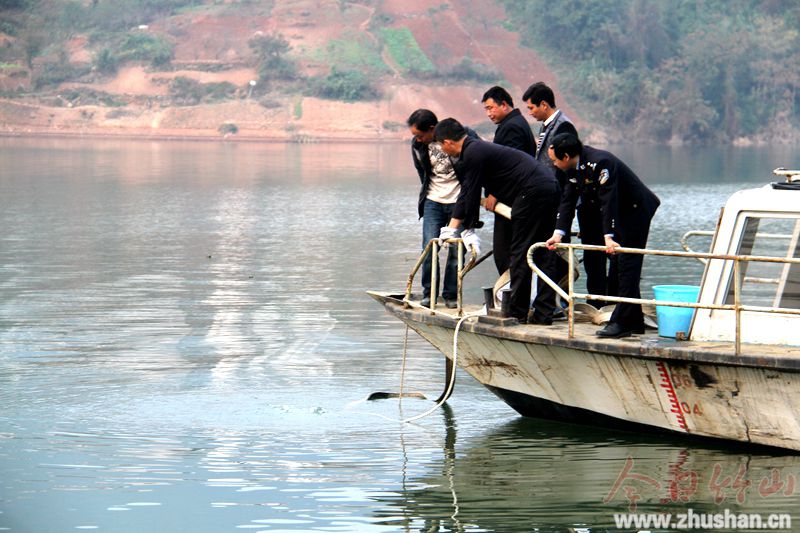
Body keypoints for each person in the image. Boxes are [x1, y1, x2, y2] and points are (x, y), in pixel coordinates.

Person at [434, 118, 560, 324]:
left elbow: (470, 192)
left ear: (447, 142)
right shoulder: (477, 148)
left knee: (521, 253)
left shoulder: (472, 152)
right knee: (543, 251)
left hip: (531, 192)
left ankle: (517, 312)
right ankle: (544, 313)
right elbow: (468, 192)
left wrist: (466, 229)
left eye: (440, 145)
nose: (442, 149)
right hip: (548, 186)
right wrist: (454, 228)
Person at [545, 133, 660, 338]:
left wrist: (608, 236)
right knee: (621, 267)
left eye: (554, 160)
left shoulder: (601, 163)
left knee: (626, 266)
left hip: (636, 211)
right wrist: (558, 233)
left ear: (566, 156)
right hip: (620, 214)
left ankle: (622, 322)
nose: (553, 164)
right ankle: (634, 320)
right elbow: (568, 201)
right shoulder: (573, 168)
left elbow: (609, 200)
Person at [523, 81, 613, 304]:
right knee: (568, 251)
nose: (530, 113)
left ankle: (585, 302)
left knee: (585, 255)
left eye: (532, 107)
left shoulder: (563, 127)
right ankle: (563, 300)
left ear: (544, 104)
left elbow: (566, 174)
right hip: (555, 198)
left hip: (562, 197)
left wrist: (560, 203)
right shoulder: (545, 127)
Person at [407, 108, 464, 309]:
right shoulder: (417, 145)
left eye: (420, 135)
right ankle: (429, 293)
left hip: (459, 201)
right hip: (433, 202)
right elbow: (422, 173)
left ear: (432, 129)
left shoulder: (457, 137)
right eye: (415, 136)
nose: (418, 139)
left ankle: (451, 295)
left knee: (456, 250)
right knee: (429, 249)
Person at [481, 85, 536, 275]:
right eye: (486, 109)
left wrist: (495, 193)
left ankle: (513, 291)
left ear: (504, 104)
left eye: (490, 108)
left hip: (512, 199)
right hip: (514, 197)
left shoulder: (512, 127)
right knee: (510, 252)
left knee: (504, 252)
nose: (488, 114)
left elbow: (512, 168)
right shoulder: (512, 124)